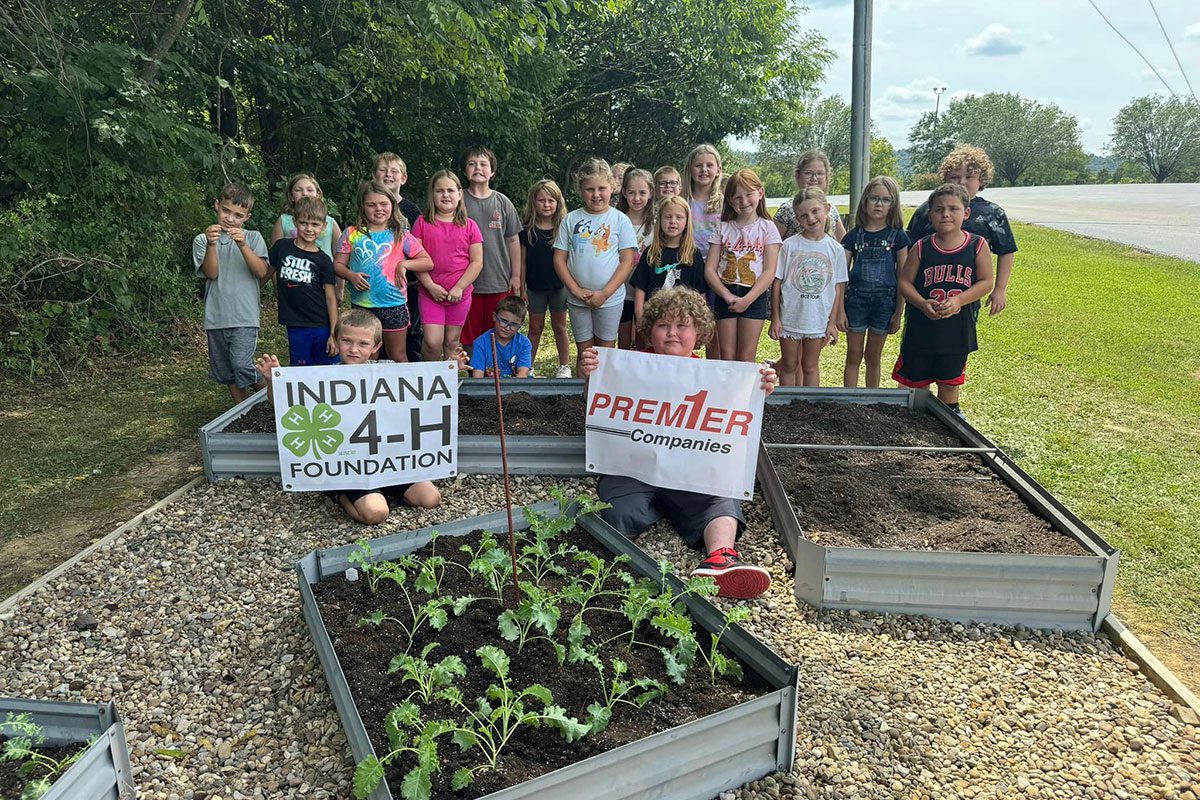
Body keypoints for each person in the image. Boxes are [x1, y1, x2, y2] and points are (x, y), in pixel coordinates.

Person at [580, 286, 777, 599]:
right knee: (617, 510)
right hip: (633, 469)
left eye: (682, 326)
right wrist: (592, 375)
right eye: (663, 325)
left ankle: (722, 558)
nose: (672, 333)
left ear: (698, 333)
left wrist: (757, 389)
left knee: (722, 497)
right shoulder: (627, 366)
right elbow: (602, 407)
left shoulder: (718, 377)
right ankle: (614, 562)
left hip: (691, 472)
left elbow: (735, 424)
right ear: (650, 331)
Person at [256, 309, 441, 524]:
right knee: (377, 514)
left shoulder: (391, 374)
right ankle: (337, 492)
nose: (354, 349)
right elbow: (284, 405)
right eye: (346, 341)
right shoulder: (319, 378)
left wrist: (449, 372)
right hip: (350, 464)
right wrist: (273, 383)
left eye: (363, 344)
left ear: (376, 347)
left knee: (430, 498)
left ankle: (389, 488)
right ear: (335, 340)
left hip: (390, 460)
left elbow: (428, 401)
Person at [893, 184, 994, 417]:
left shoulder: (977, 245)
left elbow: (986, 281)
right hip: (921, 328)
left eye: (953, 209)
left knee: (949, 383)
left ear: (966, 213)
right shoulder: (922, 246)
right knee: (915, 383)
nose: (945, 214)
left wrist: (959, 300)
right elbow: (905, 283)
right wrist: (921, 303)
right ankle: (914, 423)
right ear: (930, 215)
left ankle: (948, 422)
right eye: (938, 209)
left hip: (956, 330)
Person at [905, 145, 1016, 316]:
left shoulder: (992, 213)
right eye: (955, 177)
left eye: (969, 177)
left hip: (967, 295)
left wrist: (1000, 289)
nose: (961, 182)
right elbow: (908, 247)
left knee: (961, 338)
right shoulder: (927, 210)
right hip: (925, 292)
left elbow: (1006, 250)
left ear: (981, 181)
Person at [553, 157, 638, 376]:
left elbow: (627, 260)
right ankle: (580, 402)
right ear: (581, 190)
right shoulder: (570, 220)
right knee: (585, 352)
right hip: (577, 298)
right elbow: (559, 259)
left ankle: (601, 399)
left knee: (604, 350)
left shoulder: (620, 220)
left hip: (610, 298)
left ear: (612, 188)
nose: (596, 194)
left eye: (602, 188)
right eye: (590, 189)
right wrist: (576, 290)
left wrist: (605, 293)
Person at [333, 181, 434, 363]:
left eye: (383, 204)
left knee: (398, 354)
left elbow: (427, 262)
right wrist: (350, 275)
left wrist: (404, 266)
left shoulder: (400, 234)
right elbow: (338, 265)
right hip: (363, 305)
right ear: (362, 207)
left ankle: (404, 390)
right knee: (367, 355)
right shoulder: (351, 233)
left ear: (392, 206)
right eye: (371, 205)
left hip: (393, 304)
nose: (378, 209)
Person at [194, 182, 270, 404]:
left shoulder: (253, 237)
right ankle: (243, 411)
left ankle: (276, 398)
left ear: (247, 217)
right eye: (226, 211)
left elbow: (261, 271)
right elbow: (211, 273)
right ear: (217, 206)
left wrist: (244, 246)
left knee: (241, 365)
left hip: (245, 316)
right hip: (216, 317)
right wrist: (210, 245)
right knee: (227, 371)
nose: (230, 218)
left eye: (238, 215)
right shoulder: (203, 239)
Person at [770, 188, 848, 387]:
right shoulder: (789, 246)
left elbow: (838, 287)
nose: (811, 218)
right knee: (789, 364)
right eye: (804, 215)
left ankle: (811, 406)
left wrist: (832, 322)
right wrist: (776, 318)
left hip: (818, 319)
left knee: (810, 366)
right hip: (790, 317)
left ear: (827, 209)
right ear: (797, 219)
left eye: (815, 211)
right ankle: (788, 407)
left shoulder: (836, 250)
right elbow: (777, 282)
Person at [705, 168, 781, 363]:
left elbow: (769, 271)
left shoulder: (768, 228)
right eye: (737, 197)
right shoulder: (722, 227)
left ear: (760, 193)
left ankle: (745, 395)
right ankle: (727, 394)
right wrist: (727, 296)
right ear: (729, 201)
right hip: (726, 293)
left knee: (746, 355)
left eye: (749, 194)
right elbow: (710, 270)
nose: (744, 201)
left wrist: (748, 299)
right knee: (727, 355)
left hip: (754, 295)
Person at [840, 176, 909, 388]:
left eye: (886, 200)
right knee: (853, 355)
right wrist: (840, 311)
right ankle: (849, 402)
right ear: (865, 202)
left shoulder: (898, 237)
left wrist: (898, 313)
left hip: (884, 304)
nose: (879, 204)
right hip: (856, 302)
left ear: (893, 204)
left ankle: (872, 400)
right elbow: (841, 277)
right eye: (874, 198)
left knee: (873, 357)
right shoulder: (853, 236)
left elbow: (903, 278)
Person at [413, 170, 483, 363]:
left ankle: (449, 384)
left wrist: (459, 287)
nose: (445, 195)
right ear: (432, 195)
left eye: (450, 190)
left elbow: (477, 262)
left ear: (460, 194)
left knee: (452, 342)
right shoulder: (421, 223)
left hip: (459, 294)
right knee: (432, 342)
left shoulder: (470, 226)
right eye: (440, 190)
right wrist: (430, 286)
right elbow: (416, 258)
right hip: (430, 293)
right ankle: (431, 381)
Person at [460, 146, 523, 349]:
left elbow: (513, 240)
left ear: (492, 171)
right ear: (464, 170)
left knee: (498, 333)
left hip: (499, 281)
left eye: (483, 164)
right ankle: (474, 376)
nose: (477, 168)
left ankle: (496, 375)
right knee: (469, 336)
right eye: (472, 164)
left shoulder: (502, 202)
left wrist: (516, 275)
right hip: (467, 283)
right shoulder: (457, 201)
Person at [266, 196, 340, 367]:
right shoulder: (281, 247)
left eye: (315, 224)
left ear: (323, 226)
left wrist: (333, 333)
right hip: (295, 323)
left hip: (321, 323)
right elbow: (265, 273)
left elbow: (330, 298)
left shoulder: (324, 260)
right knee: (300, 371)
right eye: (304, 223)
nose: (309, 229)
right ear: (294, 222)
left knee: (329, 370)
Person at [373, 152, 425, 361]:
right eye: (383, 170)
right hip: (377, 287)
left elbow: (422, 248)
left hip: (408, 286)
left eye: (394, 171)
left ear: (403, 178)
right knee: (375, 336)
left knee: (411, 336)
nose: (388, 175)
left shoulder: (412, 210)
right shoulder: (369, 209)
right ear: (374, 176)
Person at [631, 196, 707, 338]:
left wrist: (699, 323)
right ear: (660, 220)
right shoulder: (651, 253)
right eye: (668, 217)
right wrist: (640, 316)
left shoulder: (693, 255)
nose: (673, 221)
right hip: (654, 320)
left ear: (686, 222)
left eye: (679, 217)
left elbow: (700, 292)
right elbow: (640, 289)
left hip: (683, 322)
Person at [520, 179, 573, 377]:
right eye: (541, 200)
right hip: (534, 286)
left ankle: (564, 366)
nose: (546, 205)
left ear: (558, 203)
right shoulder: (526, 229)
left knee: (560, 327)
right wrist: (522, 288)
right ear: (533, 202)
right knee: (535, 328)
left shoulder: (564, 227)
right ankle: (528, 366)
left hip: (559, 286)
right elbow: (522, 262)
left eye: (551, 200)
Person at [682, 144, 725, 358]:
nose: (704, 170)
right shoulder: (684, 201)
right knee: (689, 326)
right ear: (690, 169)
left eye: (709, 165)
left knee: (714, 329)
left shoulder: (724, 203)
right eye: (698, 165)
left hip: (718, 272)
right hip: (689, 269)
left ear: (718, 169)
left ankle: (713, 371)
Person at [616, 167, 655, 349]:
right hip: (620, 290)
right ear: (624, 192)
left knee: (644, 340)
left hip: (645, 292)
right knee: (623, 340)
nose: (637, 198)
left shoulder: (656, 226)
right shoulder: (616, 221)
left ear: (650, 193)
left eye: (642, 193)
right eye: (632, 193)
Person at [773, 150, 847, 241]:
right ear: (798, 176)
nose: (814, 178)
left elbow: (844, 242)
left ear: (827, 177)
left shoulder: (831, 208)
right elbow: (773, 243)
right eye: (808, 173)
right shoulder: (787, 210)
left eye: (820, 173)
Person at [268, 173, 342, 258]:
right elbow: (274, 255)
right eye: (298, 190)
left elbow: (340, 257)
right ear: (291, 196)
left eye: (310, 190)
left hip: (324, 269)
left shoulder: (330, 222)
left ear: (318, 195)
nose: (304, 193)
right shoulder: (284, 220)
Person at [468, 295, 534, 378]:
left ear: (520, 325)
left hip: (515, 388)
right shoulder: (480, 343)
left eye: (514, 324)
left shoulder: (524, 343)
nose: (507, 328)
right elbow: (477, 377)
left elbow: (523, 374)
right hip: (488, 388)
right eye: (504, 321)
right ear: (494, 317)